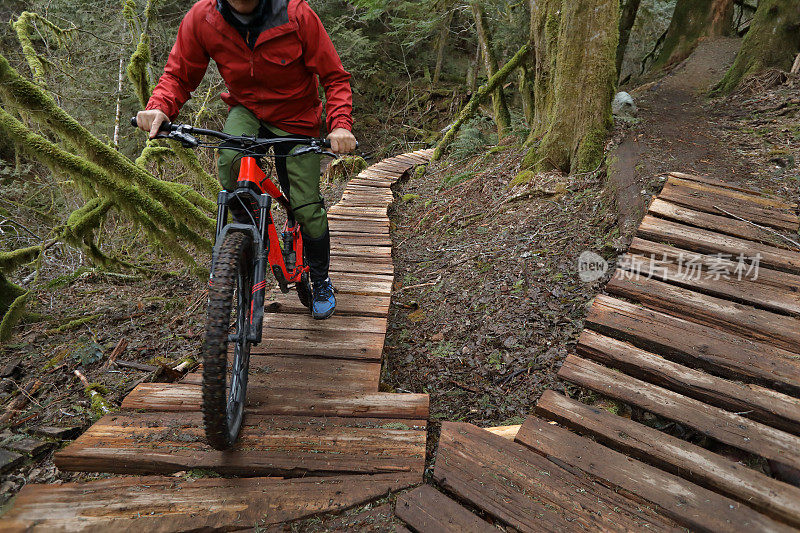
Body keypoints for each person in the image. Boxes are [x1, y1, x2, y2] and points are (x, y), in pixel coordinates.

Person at [136, 0, 356, 320]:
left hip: (297, 118)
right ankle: (247, 235)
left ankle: (321, 280)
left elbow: (334, 77)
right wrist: (160, 106)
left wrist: (339, 125)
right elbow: (179, 75)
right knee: (228, 160)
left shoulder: (296, 14)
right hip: (247, 110)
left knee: (306, 205)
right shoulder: (204, 18)